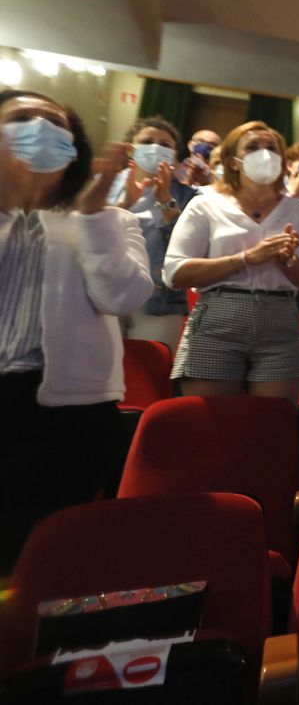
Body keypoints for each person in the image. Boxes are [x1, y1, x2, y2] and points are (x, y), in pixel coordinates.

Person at [0, 90, 153, 573]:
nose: (39, 127)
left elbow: (122, 297)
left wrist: (92, 217)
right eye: (21, 118)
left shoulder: (111, 220)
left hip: (69, 411)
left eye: (54, 122)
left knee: (43, 555)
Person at [164, 121, 299, 398]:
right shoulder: (206, 204)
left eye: (271, 148)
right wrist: (245, 258)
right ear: (233, 161)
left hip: (280, 319)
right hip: (218, 317)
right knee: (211, 422)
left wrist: (288, 261)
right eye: (252, 147)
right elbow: (175, 273)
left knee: (271, 422)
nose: (264, 153)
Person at [110, 116, 196, 349]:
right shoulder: (106, 184)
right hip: (107, 288)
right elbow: (91, 228)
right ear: (131, 148)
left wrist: (166, 200)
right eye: (147, 141)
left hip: (158, 299)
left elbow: (187, 243)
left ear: (174, 155)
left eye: (165, 144)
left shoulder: (190, 197)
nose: (156, 147)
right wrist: (123, 205)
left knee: (150, 370)